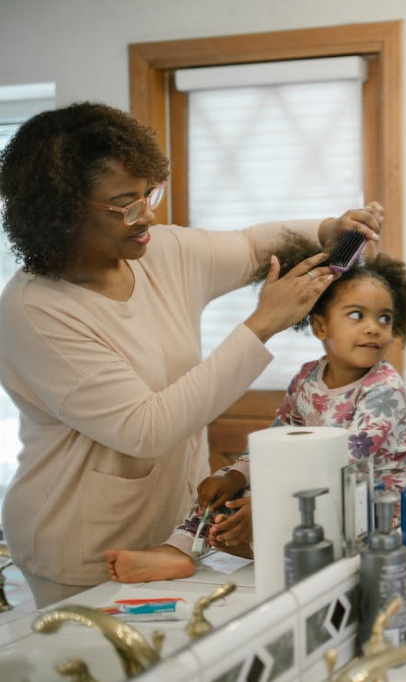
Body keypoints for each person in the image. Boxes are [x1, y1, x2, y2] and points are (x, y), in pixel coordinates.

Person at [0, 101, 383, 607]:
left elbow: (250, 246)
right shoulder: (35, 311)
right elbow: (145, 428)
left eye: (149, 194)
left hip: (173, 536)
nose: (148, 215)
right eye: (126, 204)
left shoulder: (158, 249)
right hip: (82, 545)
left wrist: (327, 230)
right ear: (62, 212)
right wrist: (262, 323)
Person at [104, 236, 406, 583]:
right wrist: (235, 476)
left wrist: (272, 504)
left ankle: (257, 541)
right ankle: (179, 548)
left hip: (374, 511)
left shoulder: (384, 389)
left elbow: (345, 463)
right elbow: (275, 439)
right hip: (319, 494)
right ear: (320, 326)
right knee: (223, 490)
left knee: (281, 509)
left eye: (385, 319)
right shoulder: (306, 378)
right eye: (357, 315)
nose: (374, 327)